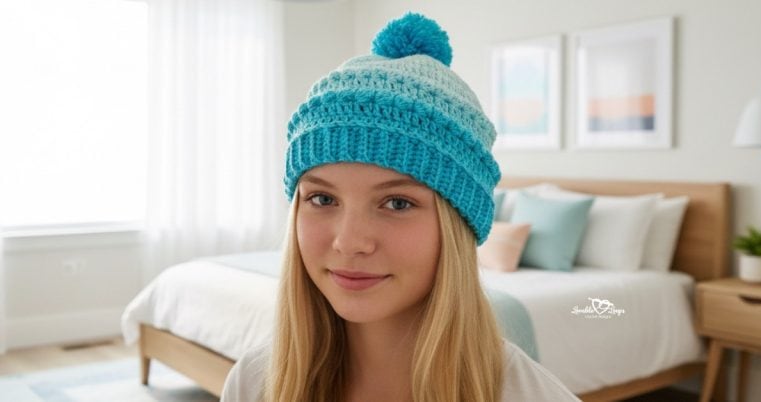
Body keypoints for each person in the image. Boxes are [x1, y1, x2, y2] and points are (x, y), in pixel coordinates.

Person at [221, 12, 579, 402]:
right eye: (322, 199)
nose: (349, 242)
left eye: (396, 202)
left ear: (456, 223)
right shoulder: (253, 385)